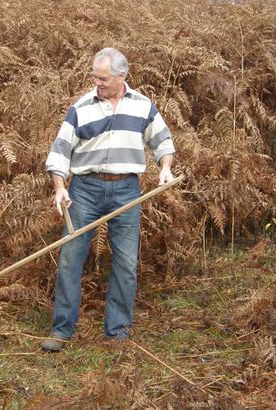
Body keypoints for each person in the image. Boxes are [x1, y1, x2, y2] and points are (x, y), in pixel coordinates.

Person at [41, 48, 176, 351]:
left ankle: (117, 333)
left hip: (126, 190)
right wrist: (60, 187)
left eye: (103, 78)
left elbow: (163, 141)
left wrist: (165, 168)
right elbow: (59, 152)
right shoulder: (80, 108)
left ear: (121, 76)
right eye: (95, 77)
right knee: (70, 259)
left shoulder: (143, 106)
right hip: (84, 191)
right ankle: (61, 330)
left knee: (126, 263)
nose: (97, 83)